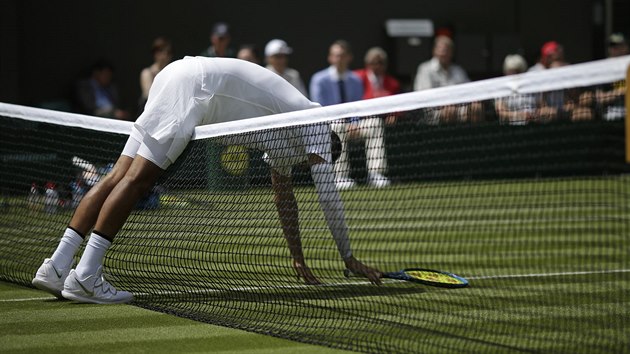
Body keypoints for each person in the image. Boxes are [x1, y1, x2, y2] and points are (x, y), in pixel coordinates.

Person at [32, 56, 382, 304]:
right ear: (325, 148)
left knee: (118, 175)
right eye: (314, 161)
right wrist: (348, 257)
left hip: (177, 75)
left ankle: (57, 266)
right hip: (195, 88)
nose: (311, 164)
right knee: (138, 181)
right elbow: (328, 195)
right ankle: (87, 275)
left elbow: (283, 198)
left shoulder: (286, 134)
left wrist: (298, 258)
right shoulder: (317, 123)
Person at [310, 40, 390, 190]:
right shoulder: (319, 80)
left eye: (342, 55)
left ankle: (376, 174)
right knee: (338, 125)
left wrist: (354, 122)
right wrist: (342, 122)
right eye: (336, 55)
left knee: (375, 123)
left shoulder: (355, 79)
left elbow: (357, 106)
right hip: (331, 126)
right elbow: (319, 109)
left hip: (353, 125)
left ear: (349, 58)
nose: (339, 59)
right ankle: (341, 176)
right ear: (330, 58)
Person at [413, 35, 481, 124]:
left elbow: (470, 90)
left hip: (458, 109)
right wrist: (446, 105)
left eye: (446, 50)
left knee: (477, 108)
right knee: (449, 111)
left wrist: (474, 101)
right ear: (434, 51)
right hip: (433, 112)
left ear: (452, 53)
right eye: (440, 49)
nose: (443, 53)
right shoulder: (425, 69)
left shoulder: (458, 70)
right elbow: (424, 96)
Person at [494, 54, 557, 125]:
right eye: (511, 71)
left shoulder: (532, 87)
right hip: (511, 127)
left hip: (534, 125)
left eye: (517, 71)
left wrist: (537, 114)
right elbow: (501, 112)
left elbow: (543, 106)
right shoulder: (501, 88)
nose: (514, 74)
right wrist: (520, 115)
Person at [353, 46, 401, 125]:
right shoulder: (357, 78)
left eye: (380, 63)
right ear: (367, 64)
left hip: (383, 121)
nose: (377, 66)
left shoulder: (393, 83)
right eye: (373, 63)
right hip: (360, 120)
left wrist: (394, 115)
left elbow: (398, 105)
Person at [596, 33, 628, 121]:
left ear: (626, 47)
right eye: (612, 46)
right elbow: (600, 98)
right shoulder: (603, 68)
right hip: (612, 113)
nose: (614, 49)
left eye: (618, 46)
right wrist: (619, 92)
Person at [138, 37, 173, 114]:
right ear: (155, 53)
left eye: (169, 52)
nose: (165, 55)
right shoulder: (147, 73)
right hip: (150, 114)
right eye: (162, 51)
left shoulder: (172, 73)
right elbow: (148, 95)